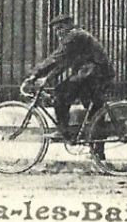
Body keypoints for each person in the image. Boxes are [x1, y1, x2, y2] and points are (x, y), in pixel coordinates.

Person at [25, 13, 114, 144]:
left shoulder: (74, 36)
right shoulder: (78, 36)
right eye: (56, 30)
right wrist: (47, 78)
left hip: (92, 73)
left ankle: (63, 131)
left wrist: (35, 74)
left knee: (60, 93)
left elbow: (56, 58)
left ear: (69, 25)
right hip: (96, 74)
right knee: (95, 111)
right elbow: (65, 63)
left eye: (60, 28)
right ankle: (98, 153)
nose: (58, 33)